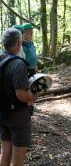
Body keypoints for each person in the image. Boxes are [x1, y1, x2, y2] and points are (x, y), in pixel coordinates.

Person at [0, 28, 37, 166]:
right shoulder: (18, 63)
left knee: (5, 152)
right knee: (18, 156)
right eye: (20, 42)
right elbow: (21, 95)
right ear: (17, 43)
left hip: (2, 113)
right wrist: (33, 96)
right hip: (18, 115)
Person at [22, 23, 37, 115]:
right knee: (25, 88)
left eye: (31, 31)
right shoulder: (21, 45)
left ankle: (30, 106)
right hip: (24, 69)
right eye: (29, 31)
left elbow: (34, 55)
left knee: (33, 87)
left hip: (32, 68)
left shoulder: (31, 43)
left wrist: (36, 65)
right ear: (24, 33)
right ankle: (25, 106)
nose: (31, 33)